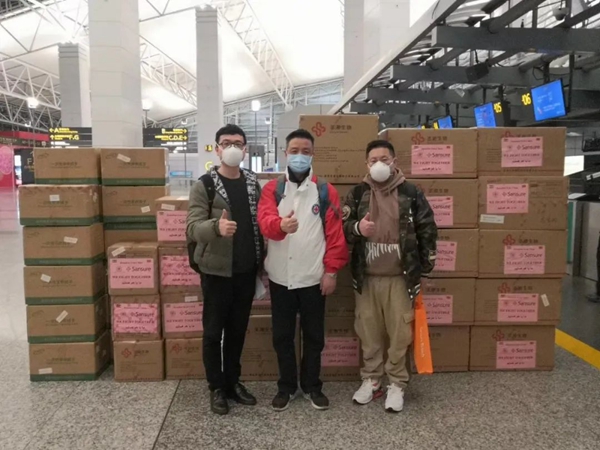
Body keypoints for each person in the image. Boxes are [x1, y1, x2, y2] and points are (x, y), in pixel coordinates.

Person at [342, 139, 437, 413]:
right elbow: (341, 227)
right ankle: (372, 380)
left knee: (400, 333)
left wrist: (425, 269)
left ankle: (397, 383)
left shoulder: (411, 193)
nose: (379, 165)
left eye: (384, 159)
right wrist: (358, 228)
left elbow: (428, 229)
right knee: (368, 331)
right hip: (366, 277)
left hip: (400, 277)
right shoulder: (358, 194)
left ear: (394, 162)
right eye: (373, 160)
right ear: (366, 164)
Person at [258, 129, 348, 412]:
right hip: (280, 278)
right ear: (285, 153)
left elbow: (335, 235)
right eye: (294, 151)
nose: (299, 156)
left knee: (314, 337)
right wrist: (280, 226)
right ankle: (286, 387)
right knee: (282, 337)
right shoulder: (272, 189)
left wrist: (331, 272)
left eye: (305, 152)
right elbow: (264, 220)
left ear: (313, 155)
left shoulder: (325, 191)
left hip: (313, 278)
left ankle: (312, 386)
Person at [186, 124, 264, 415]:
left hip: (246, 270)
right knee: (212, 332)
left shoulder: (253, 183)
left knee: (237, 331)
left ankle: (233, 381)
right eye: (226, 143)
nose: (233, 148)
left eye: (238, 143)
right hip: (216, 272)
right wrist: (215, 227)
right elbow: (192, 228)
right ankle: (216, 387)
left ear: (245, 149)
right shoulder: (205, 185)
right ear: (217, 149)